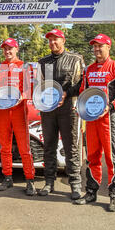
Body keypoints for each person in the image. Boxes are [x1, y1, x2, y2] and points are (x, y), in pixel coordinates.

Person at [74, 34, 115, 212]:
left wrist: (112, 105)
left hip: (109, 120)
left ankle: (114, 195)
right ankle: (91, 192)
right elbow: (83, 92)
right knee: (92, 157)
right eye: (94, 46)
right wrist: (80, 107)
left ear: (108, 47)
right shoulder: (89, 70)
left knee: (112, 158)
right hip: (91, 120)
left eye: (100, 46)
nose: (97, 49)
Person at [37, 29, 85, 201]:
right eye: (50, 40)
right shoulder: (43, 62)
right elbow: (39, 85)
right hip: (48, 110)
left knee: (71, 147)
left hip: (68, 110)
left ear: (63, 40)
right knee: (48, 146)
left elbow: (82, 83)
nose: (52, 43)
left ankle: (75, 184)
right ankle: (49, 182)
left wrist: (67, 93)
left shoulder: (75, 59)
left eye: (55, 39)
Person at [0, 38, 36, 196]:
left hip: (19, 110)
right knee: (4, 146)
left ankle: (30, 179)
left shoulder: (25, 66)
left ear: (17, 49)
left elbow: (30, 88)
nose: (7, 51)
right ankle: (7, 177)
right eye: (5, 49)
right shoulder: (0, 66)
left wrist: (23, 96)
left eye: (10, 48)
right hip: (2, 110)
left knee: (24, 147)